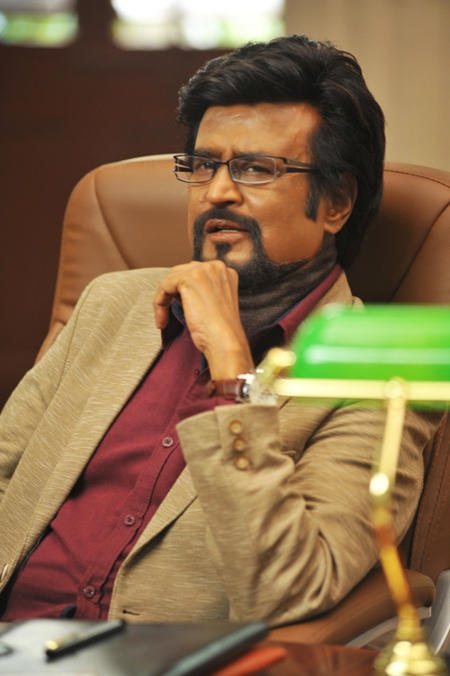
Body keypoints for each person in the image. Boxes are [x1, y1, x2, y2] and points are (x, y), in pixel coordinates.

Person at [0, 35, 440, 626]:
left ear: (336, 203)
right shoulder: (113, 303)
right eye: (203, 165)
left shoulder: (374, 369)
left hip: (160, 659)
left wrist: (233, 370)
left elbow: (291, 586)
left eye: (256, 169)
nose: (216, 192)